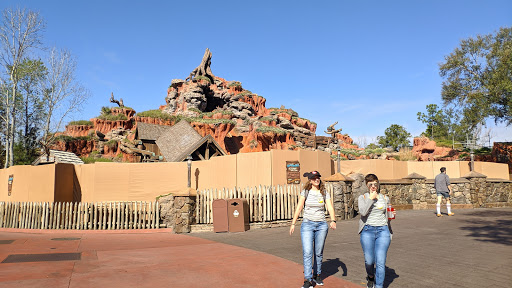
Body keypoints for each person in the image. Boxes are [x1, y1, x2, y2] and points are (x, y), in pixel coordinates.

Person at [290, 171, 337, 288]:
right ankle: (307, 279)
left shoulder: (324, 192)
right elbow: (299, 207)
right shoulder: (306, 192)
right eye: (314, 178)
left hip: (321, 225)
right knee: (307, 252)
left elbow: (330, 207)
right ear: (310, 180)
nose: (317, 180)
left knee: (318, 252)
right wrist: (293, 223)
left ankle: (317, 274)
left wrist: (333, 220)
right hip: (307, 225)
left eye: (318, 178)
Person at [358, 173, 395, 288]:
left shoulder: (385, 198)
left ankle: (379, 285)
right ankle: (370, 276)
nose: (373, 186)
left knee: (380, 262)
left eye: (375, 183)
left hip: (383, 230)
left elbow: (388, 214)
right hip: (367, 230)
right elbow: (363, 212)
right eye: (371, 184)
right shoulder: (363, 198)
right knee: (369, 261)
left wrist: (392, 214)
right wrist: (371, 199)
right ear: (366, 185)